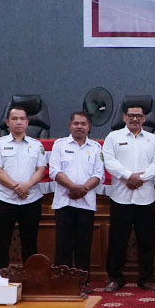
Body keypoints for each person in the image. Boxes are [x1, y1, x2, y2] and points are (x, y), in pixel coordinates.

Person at [102, 103, 155, 292]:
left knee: (146, 240)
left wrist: (141, 178)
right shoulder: (113, 137)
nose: (135, 118)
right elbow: (109, 162)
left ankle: (145, 278)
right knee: (117, 240)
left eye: (139, 116)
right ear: (124, 118)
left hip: (145, 197)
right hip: (121, 196)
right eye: (131, 115)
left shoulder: (153, 140)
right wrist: (128, 176)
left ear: (144, 119)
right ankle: (115, 277)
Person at [0, 105, 48, 270]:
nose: (18, 122)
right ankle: (0, 280)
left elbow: (41, 170)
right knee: (2, 242)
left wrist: (26, 186)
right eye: (14, 119)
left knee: (30, 243)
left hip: (31, 200)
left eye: (22, 119)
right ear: (7, 122)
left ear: (28, 122)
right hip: (4, 200)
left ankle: (32, 279)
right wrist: (16, 187)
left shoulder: (37, 145)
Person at [49, 111, 103, 271]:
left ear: (89, 127)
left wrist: (83, 189)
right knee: (63, 245)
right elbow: (54, 171)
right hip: (64, 202)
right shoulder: (59, 145)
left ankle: (82, 282)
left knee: (83, 245)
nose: (79, 127)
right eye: (76, 123)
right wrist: (73, 187)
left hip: (86, 204)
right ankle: (62, 283)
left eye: (83, 124)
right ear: (69, 125)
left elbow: (98, 174)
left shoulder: (96, 148)